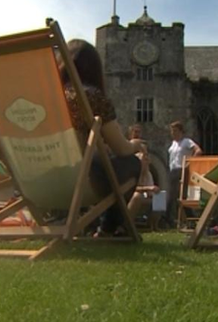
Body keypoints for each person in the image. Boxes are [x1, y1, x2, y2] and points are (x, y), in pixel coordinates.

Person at [61, 39, 145, 236]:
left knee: (103, 160)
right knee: (130, 163)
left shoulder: (51, 97)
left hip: (44, 176)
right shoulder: (92, 96)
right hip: (80, 178)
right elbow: (122, 149)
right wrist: (136, 145)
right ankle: (108, 228)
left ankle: (76, 221)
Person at [167, 120, 202, 227]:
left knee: (180, 195)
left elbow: (198, 151)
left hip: (182, 169)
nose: (173, 133)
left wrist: (190, 163)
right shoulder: (173, 144)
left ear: (181, 131)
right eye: (172, 131)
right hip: (173, 170)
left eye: (176, 131)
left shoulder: (186, 141)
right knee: (174, 195)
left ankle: (172, 218)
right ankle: (181, 220)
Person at [126, 124, 160, 224]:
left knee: (160, 197)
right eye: (135, 132)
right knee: (139, 196)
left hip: (145, 184)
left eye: (139, 132)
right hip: (137, 188)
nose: (137, 134)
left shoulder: (144, 154)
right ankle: (128, 223)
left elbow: (145, 170)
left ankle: (153, 224)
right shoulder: (129, 153)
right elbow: (135, 185)